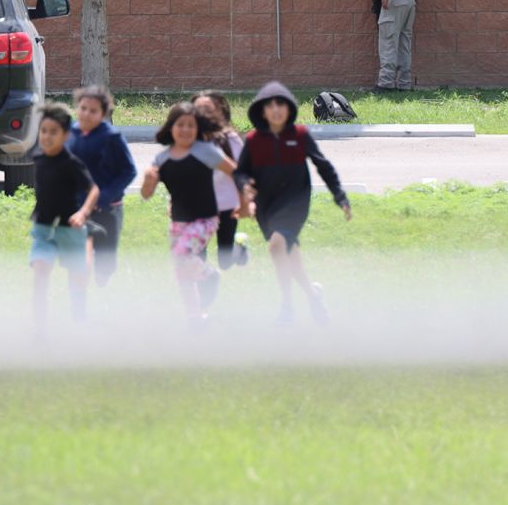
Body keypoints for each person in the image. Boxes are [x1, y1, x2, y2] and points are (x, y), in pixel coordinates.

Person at [235, 82, 351, 327]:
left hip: (295, 202)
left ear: (289, 109)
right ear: (262, 111)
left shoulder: (299, 136)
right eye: (270, 106)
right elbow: (240, 172)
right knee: (288, 253)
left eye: (281, 104)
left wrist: (339, 196)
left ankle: (287, 305)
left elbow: (323, 166)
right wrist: (245, 186)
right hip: (266, 206)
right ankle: (313, 294)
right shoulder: (254, 140)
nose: (276, 110)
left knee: (276, 247)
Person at [141, 102, 238, 329]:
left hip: (205, 219)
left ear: (198, 129)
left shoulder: (206, 152)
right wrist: (148, 179)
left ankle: (209, 275)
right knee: (182, 270)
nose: (185, 129)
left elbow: (234, 171)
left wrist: (243, 200)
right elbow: (146, 195)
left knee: (182, 254)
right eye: (180, 124)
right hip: (178, 222)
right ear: (171, 128)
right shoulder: (162, 159)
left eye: (190, 125)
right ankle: (195, 318)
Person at [30, 103, 99, 337]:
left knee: (77, 278)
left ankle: (79, 319)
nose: (47, 137)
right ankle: (40, 327)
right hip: (43, 228)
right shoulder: (37, 157)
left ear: (66, 135)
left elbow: (93, 190)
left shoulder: (70, 163)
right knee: (41, 269)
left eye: (53, 132)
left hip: (70, 229)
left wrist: (83, 213)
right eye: (44, 131)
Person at [67, 85, 136, 287]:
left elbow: (128, 170)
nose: (86, 114)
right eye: (83, 108)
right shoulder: (70, 134)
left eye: (93, 110)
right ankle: (80, 292)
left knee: (106, 258)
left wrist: (105, 196)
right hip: (78, 207)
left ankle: (103, 283)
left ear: (103, 114)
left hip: (109, 207)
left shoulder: (112, 137)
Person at [192, 90, 248, 270]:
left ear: (220, 112)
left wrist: (245, 202)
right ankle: (204, 283)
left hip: (227, 206)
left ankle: (239, 249)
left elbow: (242, 173)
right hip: (199, 205)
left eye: (207, 108)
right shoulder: (187, 138)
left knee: (225, 261)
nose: (202, 113)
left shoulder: (230, 140)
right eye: (197, 109)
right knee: (197, 252)